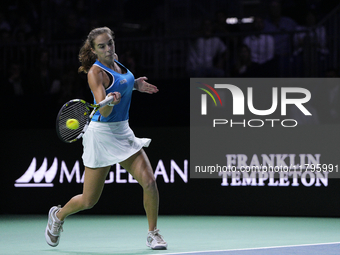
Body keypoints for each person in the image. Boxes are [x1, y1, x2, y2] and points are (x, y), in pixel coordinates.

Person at [45, 26, 167, 250]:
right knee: (89, 200)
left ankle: (153, 233)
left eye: (110, 43)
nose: (108, 49)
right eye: (102, 46)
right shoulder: (95, 73)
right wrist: (110, 100)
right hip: (102, 136)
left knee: (149, 182)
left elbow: (124, 82)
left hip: (123, 132)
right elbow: (105, 112)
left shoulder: (117, 61)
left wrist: (136, 85)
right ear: (94, 50)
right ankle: (58, 215)